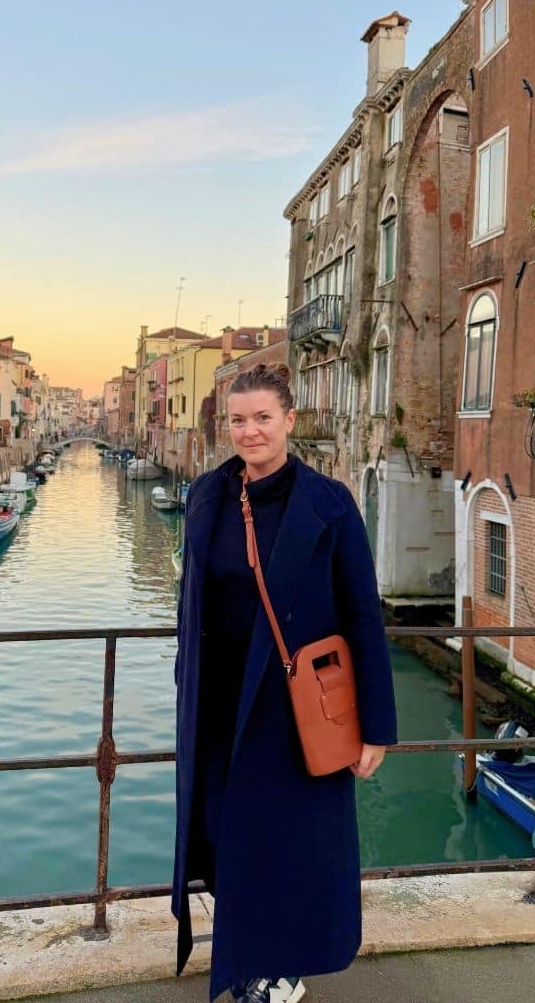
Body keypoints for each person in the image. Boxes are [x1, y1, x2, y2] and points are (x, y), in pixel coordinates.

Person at [172, 363, 397, 1003]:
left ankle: (277, 971)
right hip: (220, 704)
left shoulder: (329, 504)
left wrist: (376, 727)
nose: (250, 431)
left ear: (289, 421)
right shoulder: (207, 496)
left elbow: (362, 613)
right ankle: (248, 959)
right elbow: (195, 603)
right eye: (237, 420)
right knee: (223, 835)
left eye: (263, 417)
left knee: (288, 845)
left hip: (295, 711)